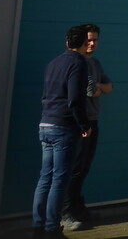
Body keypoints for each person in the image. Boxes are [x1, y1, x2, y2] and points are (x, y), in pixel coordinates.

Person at [32, 26, 92, 237]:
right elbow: (75, 99)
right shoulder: (78, 64)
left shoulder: (53, 63)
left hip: (46, 124)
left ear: (67, 43)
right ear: (85, 44)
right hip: (64, 128)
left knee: (45, 177)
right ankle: (51, 229)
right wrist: (84, 125)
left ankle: (38, 227)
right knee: (60, 180)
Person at [63, 24, 113, 230]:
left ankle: (77, 207)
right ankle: (65, 213)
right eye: (88, 40)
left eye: (95, 40)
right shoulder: (77, 63)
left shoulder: (96, 63)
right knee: (73, 168)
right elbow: (91, 91)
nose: (92, 43)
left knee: (83, 167)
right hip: (78, 121)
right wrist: (99, 88)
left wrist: (99, 88)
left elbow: (108, 88)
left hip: (93, 120)